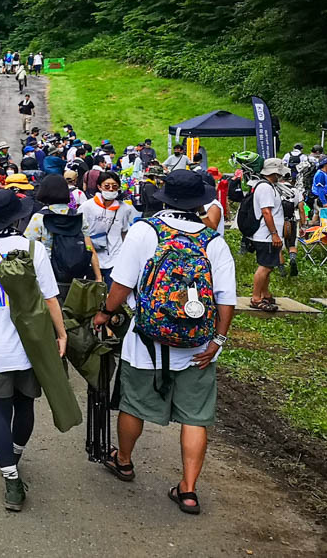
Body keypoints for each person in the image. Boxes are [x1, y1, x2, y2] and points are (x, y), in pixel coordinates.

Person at [93, 170, 236, 516]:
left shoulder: (146, 230)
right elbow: (226, 299)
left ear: (164, 198)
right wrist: (218, 339)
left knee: (133, 405)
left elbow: (122, 285)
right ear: (199, 203)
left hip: (146, 340)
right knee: (195, 417)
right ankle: (188, 491)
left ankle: (124, 461)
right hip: (196, 348)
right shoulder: (213, 240)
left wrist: (104, 313)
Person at [0, 190, 66, 512]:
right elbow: (50, 298)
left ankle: (11, 482)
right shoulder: (34, 249)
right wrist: (61, 335)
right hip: (30, 346)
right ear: (17, 218)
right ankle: (15, 455)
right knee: (25, 406)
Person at [79, 171, 136, 285]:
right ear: (99, 187)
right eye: (107, 186)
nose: (111, 189)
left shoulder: (125, 208)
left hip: (115, 257)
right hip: (91, 257)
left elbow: (124, 232)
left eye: (114, 186)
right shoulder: (87, 207)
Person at [247, 157, 286, 312]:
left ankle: (265, 293)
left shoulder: (270, 186)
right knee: (265, 266)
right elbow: (266, 211)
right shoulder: (265, 188)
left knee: (269, 266)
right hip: (266, 234)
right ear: (274, 172)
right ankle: (256, 297)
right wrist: (274, 234)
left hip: (267, 234)